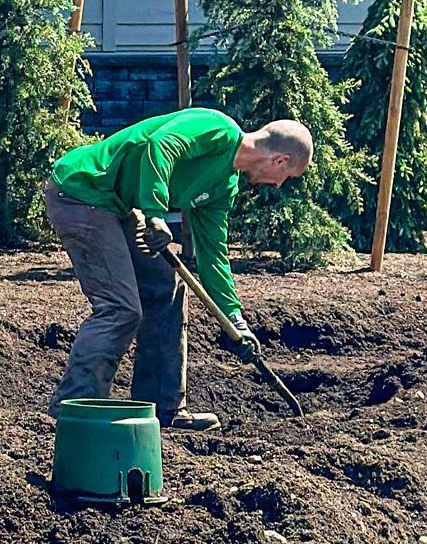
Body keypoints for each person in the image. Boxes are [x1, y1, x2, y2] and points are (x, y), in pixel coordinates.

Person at [43, 108, 313, 429]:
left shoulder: (224, 186)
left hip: (115, 204)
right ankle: (74, 411)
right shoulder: (218, 128)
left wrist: (234, 319)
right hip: (82, 191)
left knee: (167, 291)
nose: (280, 185)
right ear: (280, 160)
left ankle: (164, 409)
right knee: (121, 308)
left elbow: (214, 256)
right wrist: (155, 212)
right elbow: (161, 144)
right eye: (288, 177)